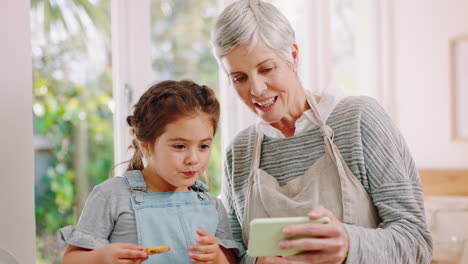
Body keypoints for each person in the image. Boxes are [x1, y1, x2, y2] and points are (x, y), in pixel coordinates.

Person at [211, 0, 432, 263]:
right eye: (239, 78)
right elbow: (235, 256)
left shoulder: (358, 120)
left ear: (293, 56)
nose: (256, 89)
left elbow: (416, 242)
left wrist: (350, 245)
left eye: (266, 68)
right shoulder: (239, 152)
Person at [60, 80, 240, 264]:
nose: (193, 158)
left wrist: (217, 257)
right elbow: (70, 259)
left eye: (203, 146)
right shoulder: (111, 196)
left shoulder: (212, 206)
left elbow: (231, 260)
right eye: (179, 146)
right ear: (145, 146)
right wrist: (101, 258)